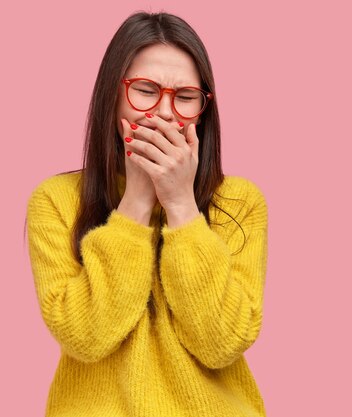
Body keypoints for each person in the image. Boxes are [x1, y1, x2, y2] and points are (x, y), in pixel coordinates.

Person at [25, 11, 269, 417]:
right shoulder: (56, 200)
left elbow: (222, 341)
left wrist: (180, 207)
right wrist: (136, 202)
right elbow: (85, 336)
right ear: (114, 94)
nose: (165, 113)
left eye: (186, 97)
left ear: (204, 110)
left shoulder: (239, 203)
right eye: (145, 90)